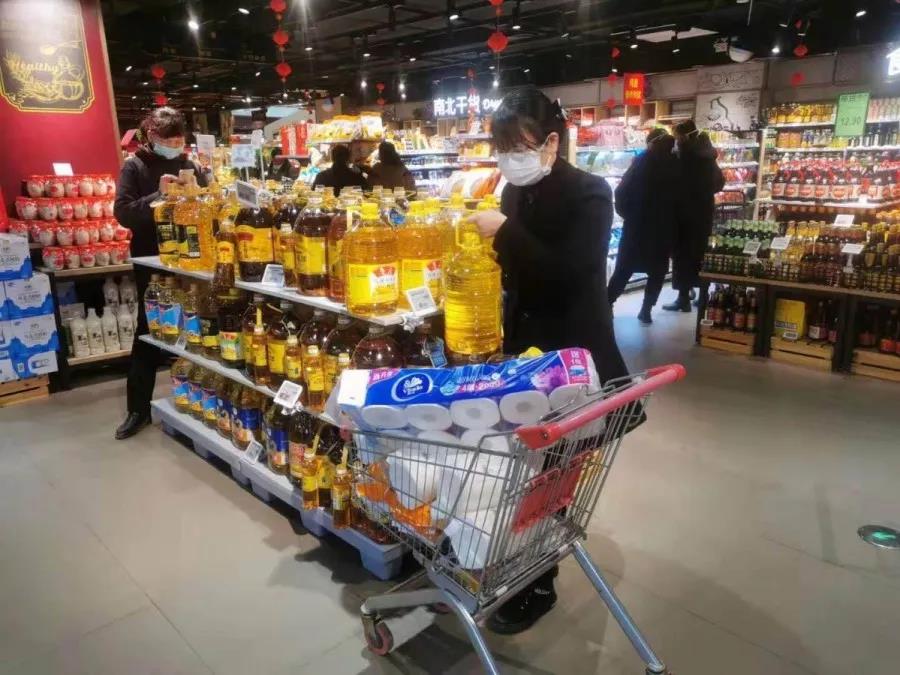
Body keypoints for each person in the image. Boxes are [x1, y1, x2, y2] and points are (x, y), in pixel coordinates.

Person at [469, 86, 630, 635]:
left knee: (555, 475)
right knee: (524, 469)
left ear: (551, 143)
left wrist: (505, 233)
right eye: (502, 147)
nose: (509, 157)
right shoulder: (515, 193)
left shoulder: (591, 193)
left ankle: (540, 582)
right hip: (525, 351)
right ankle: (512, 563)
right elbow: (520, 276)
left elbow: (571, 273)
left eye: (520, 146)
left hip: (572, 357)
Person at [113, 107, 207, 440]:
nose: (175, 146)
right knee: (150, 331)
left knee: (199, 324)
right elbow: (124, 213)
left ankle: (202, 399)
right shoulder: (135, 166)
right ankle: (138, 409)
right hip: (152, 263)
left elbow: (205, 204)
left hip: (192, 260)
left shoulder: (190, 164)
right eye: (170, 140)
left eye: (180, 140)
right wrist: (159, 196)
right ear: (152, 136)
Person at [607, 128, 680, 324]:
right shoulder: (676, 164)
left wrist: (627, 214)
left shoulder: (641, 162)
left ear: (652, 143)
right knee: (657, 271)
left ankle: (608, 303)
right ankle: (646, 310)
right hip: (663, 228)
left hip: (637, 227)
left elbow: (621, 192)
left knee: (624, 269)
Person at [663, 119, 724, 312]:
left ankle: (683, 298)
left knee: (682, 255)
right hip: (704, 213)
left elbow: (676, 184)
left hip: (685, 214)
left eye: (677, 136)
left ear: (684, 136)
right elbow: (719, 182)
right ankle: (703, 297)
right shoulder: (708, 155)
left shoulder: (687, 156)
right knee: (700, 255)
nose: (676, 140)